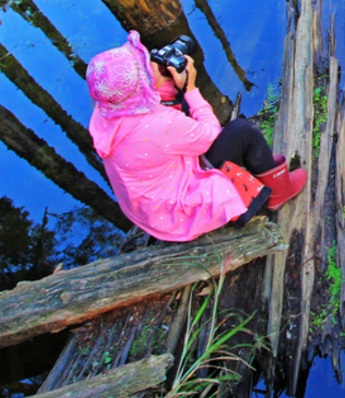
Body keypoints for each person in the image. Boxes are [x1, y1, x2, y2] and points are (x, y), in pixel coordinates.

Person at [85, 31, 305, 241]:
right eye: (144, 68)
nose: (150, 64)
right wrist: (190, 89)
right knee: (243, 132)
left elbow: (150, 108)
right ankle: (279, 192)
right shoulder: (160, 124)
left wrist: (164, 84)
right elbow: (210, 134)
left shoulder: (106, 111)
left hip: (148, 209)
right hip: (180, 212)